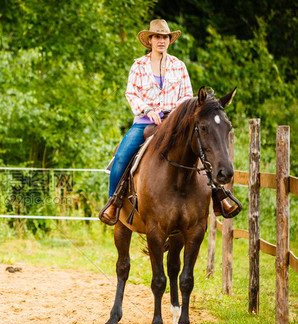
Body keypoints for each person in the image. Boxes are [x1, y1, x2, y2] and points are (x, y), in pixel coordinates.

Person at [99, 19, 237, 225]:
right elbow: (131, 94)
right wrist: (147, 109)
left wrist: (174, 115)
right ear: (150, 41)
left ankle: (219, 195)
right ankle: (114, 202)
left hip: (175, 123)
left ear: (169, 40)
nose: (161, 41)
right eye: (157, 37)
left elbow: (187, 96)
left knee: (201, 150)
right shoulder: (138, 66)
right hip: (144, 123)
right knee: (121, 157)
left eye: (165, 37)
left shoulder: (179, 66)